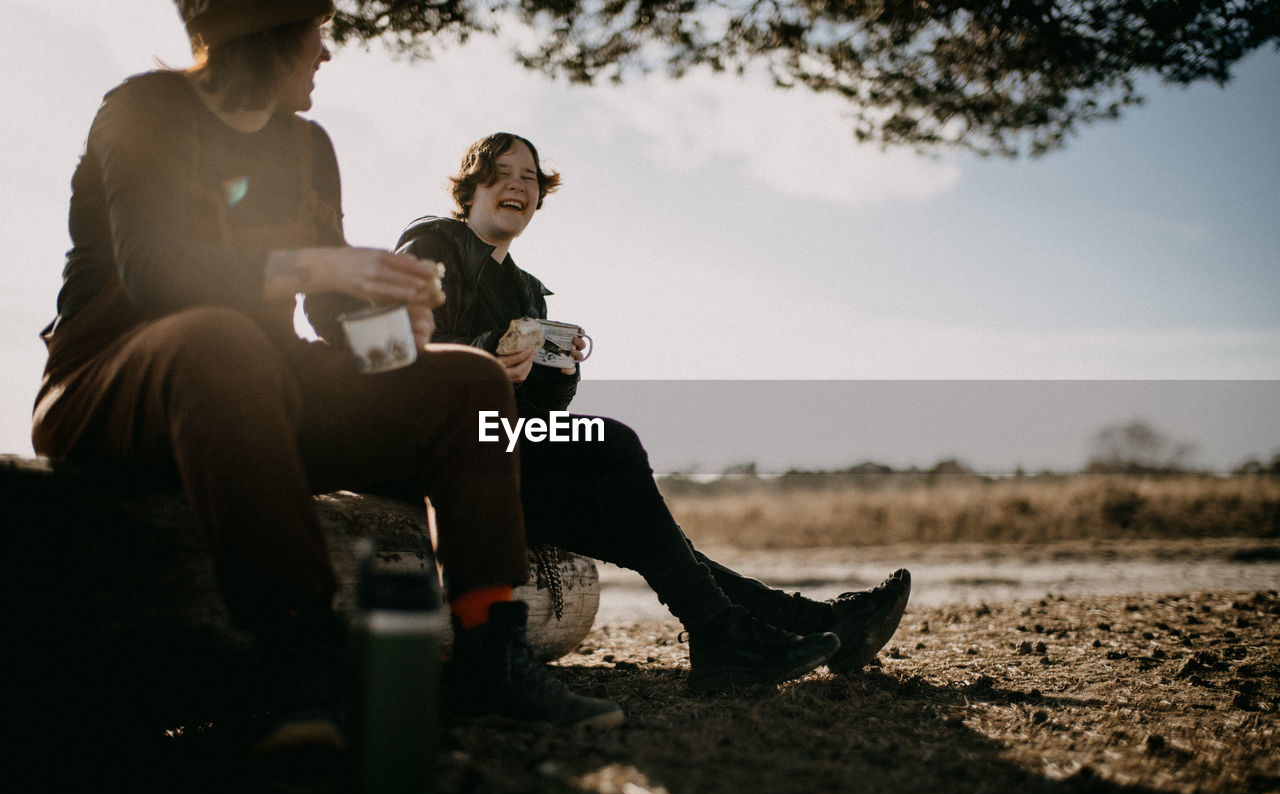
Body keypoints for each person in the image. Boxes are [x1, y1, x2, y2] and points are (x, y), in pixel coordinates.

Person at [32, 2, 622, 745]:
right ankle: (301, 654)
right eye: (316, 32)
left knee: (466, 380)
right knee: (220, 341)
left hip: (268, 382)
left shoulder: (307, 146)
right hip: (112, 377)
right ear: (264, 31)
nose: (326, 54)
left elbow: (331, 310)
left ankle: (487, 651)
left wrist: (396, 336)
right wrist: (315, 262)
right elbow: (154, 273)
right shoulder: (143, 109)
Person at [314, 132, 913, 692]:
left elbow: (539, 407)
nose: (516, 185)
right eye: (499, 174)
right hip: (429, 444)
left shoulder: (526, 290)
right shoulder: (435, 243)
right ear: (469, 190)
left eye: (529, 177)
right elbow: (408, 354)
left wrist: (560, 373)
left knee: (633, 527)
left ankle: (799, 625)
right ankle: (748, 632)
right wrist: (485, 355)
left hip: (498, 444)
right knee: (612, 446)